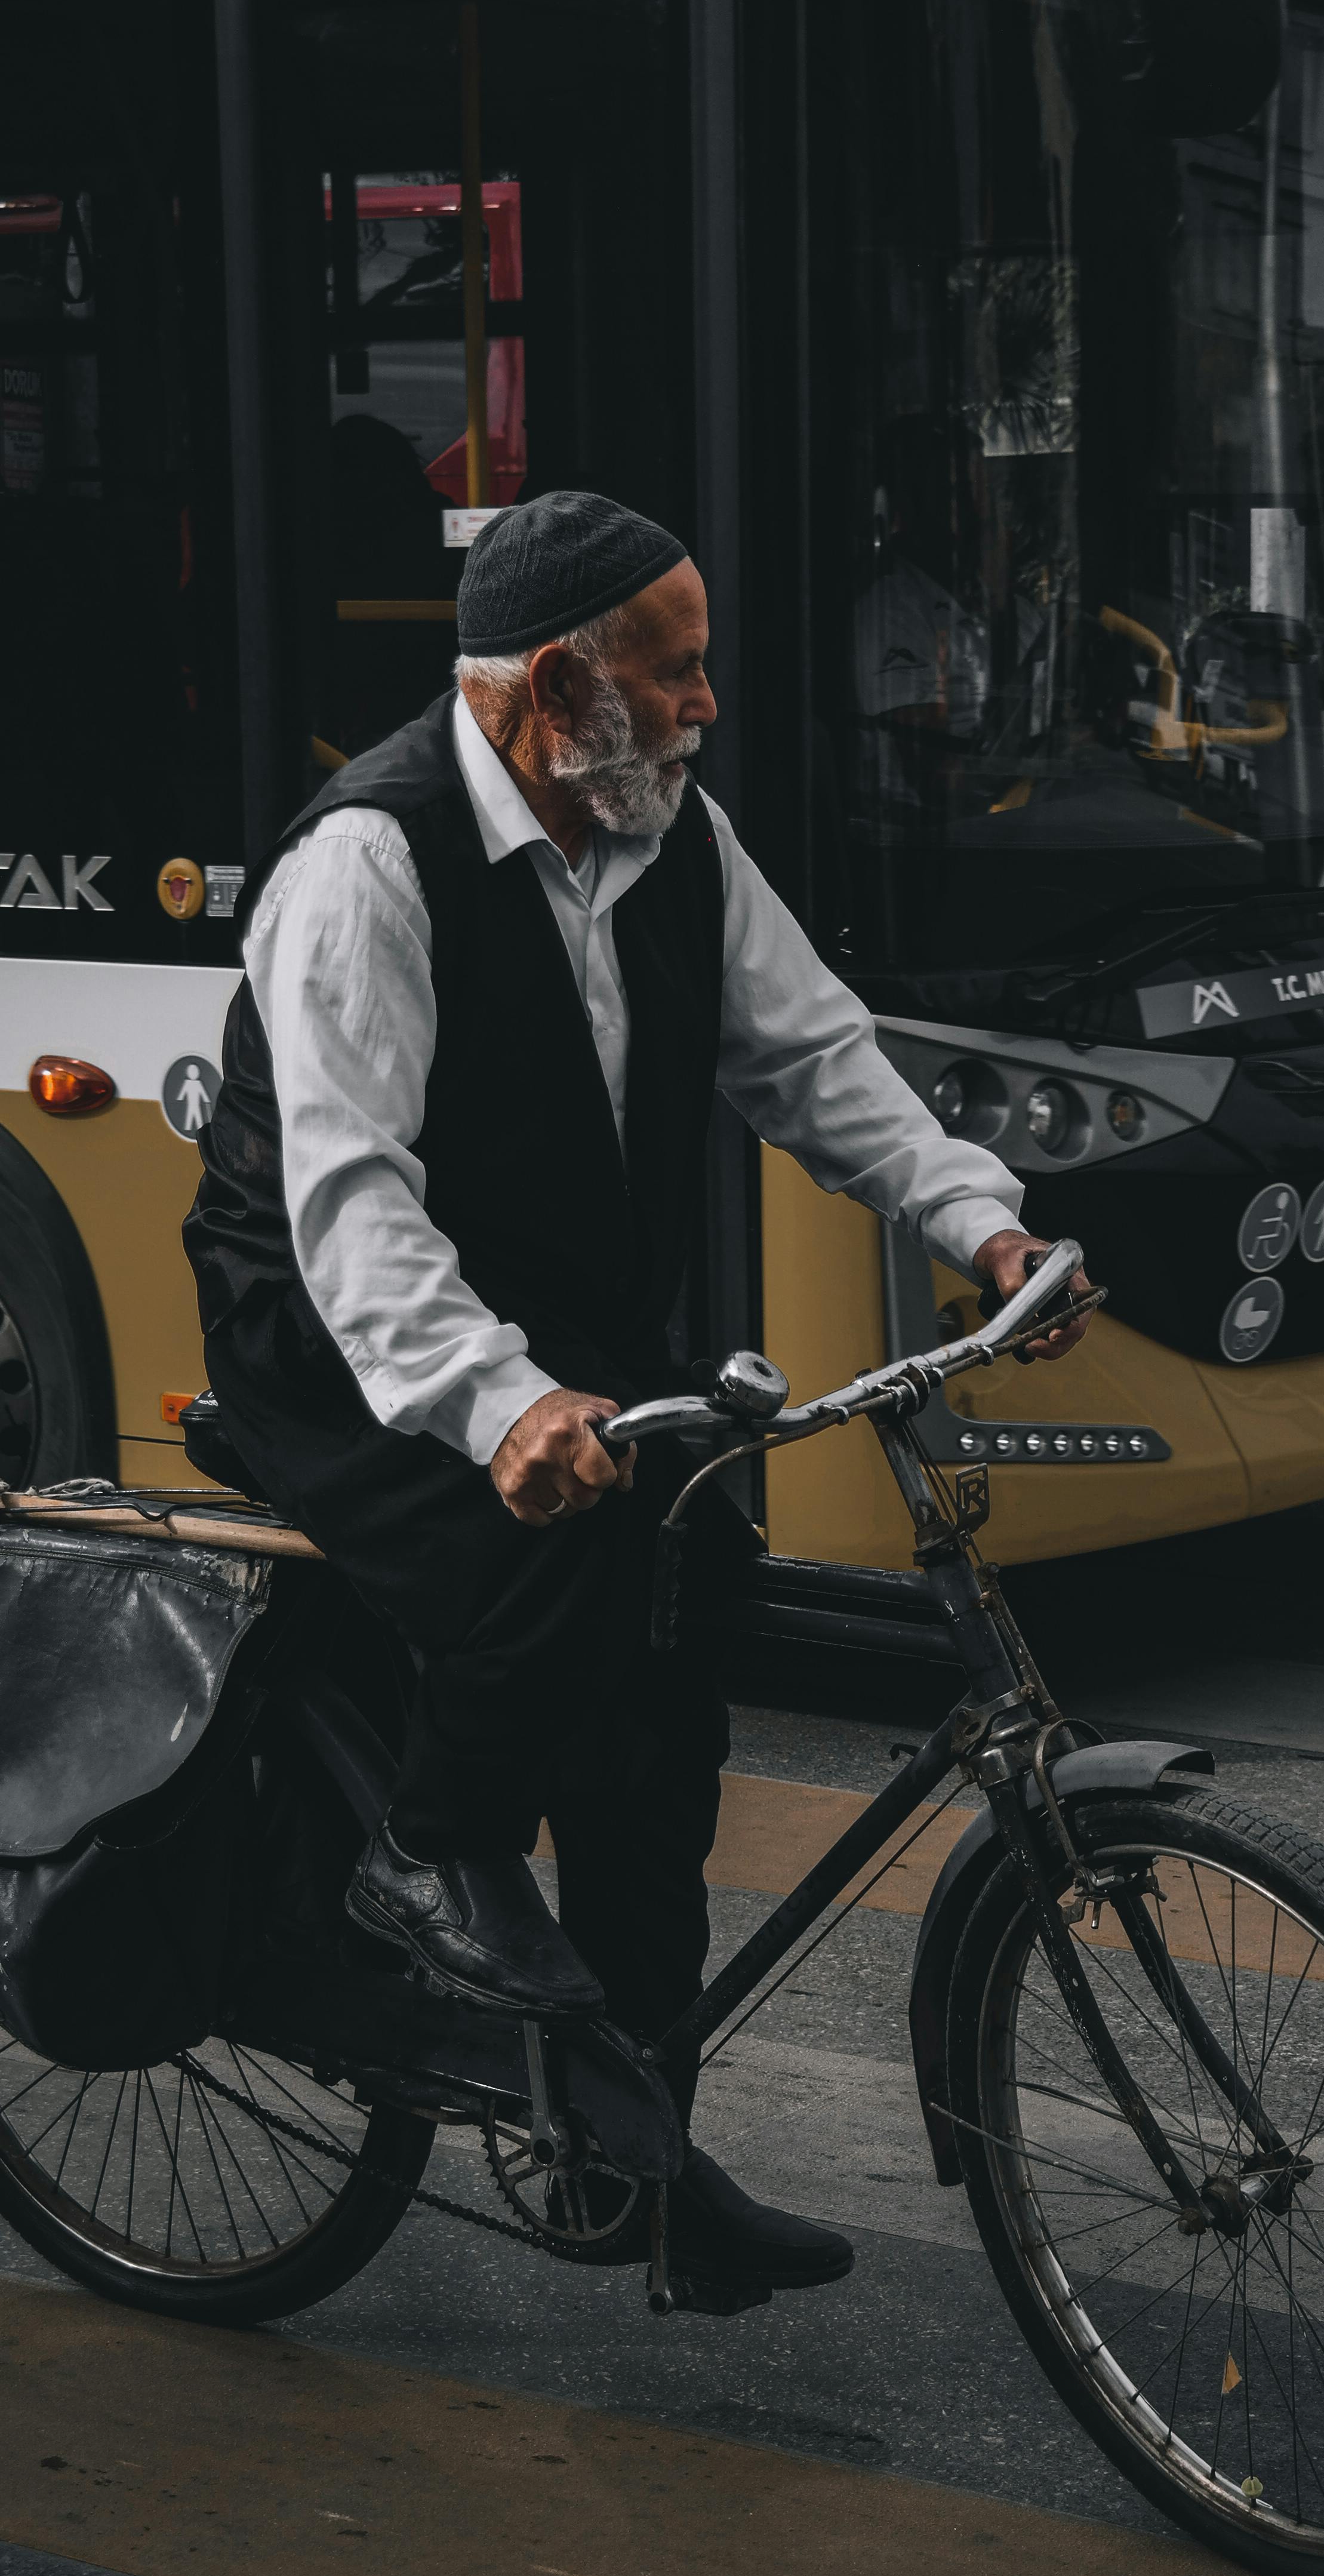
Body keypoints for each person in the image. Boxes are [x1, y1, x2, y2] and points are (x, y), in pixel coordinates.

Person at [186, 491, 1089, 2298]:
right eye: (672, 672)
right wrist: (494, 1402)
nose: (706, 705)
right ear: (549, 691)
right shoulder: (367, 863)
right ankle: (422, 1859)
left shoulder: (666, 829)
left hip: (577, 1333)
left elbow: (816, 1055)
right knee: (562, 1577)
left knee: (672, 1693)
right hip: (343, 1344)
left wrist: (982, 1226)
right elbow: (353, 1205)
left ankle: (638, 2165)